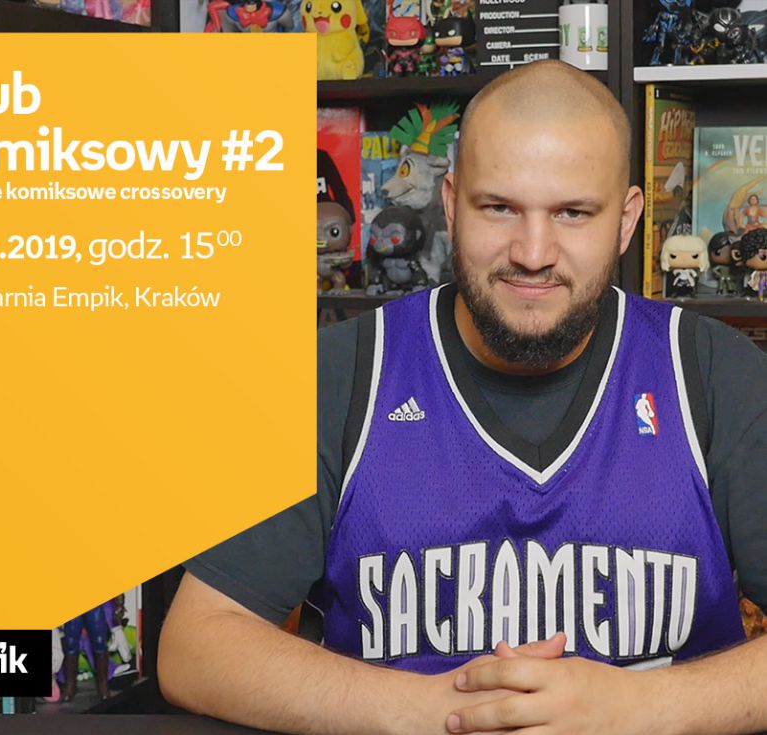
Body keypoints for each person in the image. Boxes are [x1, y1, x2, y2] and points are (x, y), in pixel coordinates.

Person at [158, 60, 767, 734]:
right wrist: (445, 713)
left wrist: (640, 709)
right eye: (499, 207)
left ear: (626, 222)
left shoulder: (713, 373)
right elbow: (197, 645)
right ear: (450, 204)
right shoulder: (341, 373)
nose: (532, 252)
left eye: (572, 213)